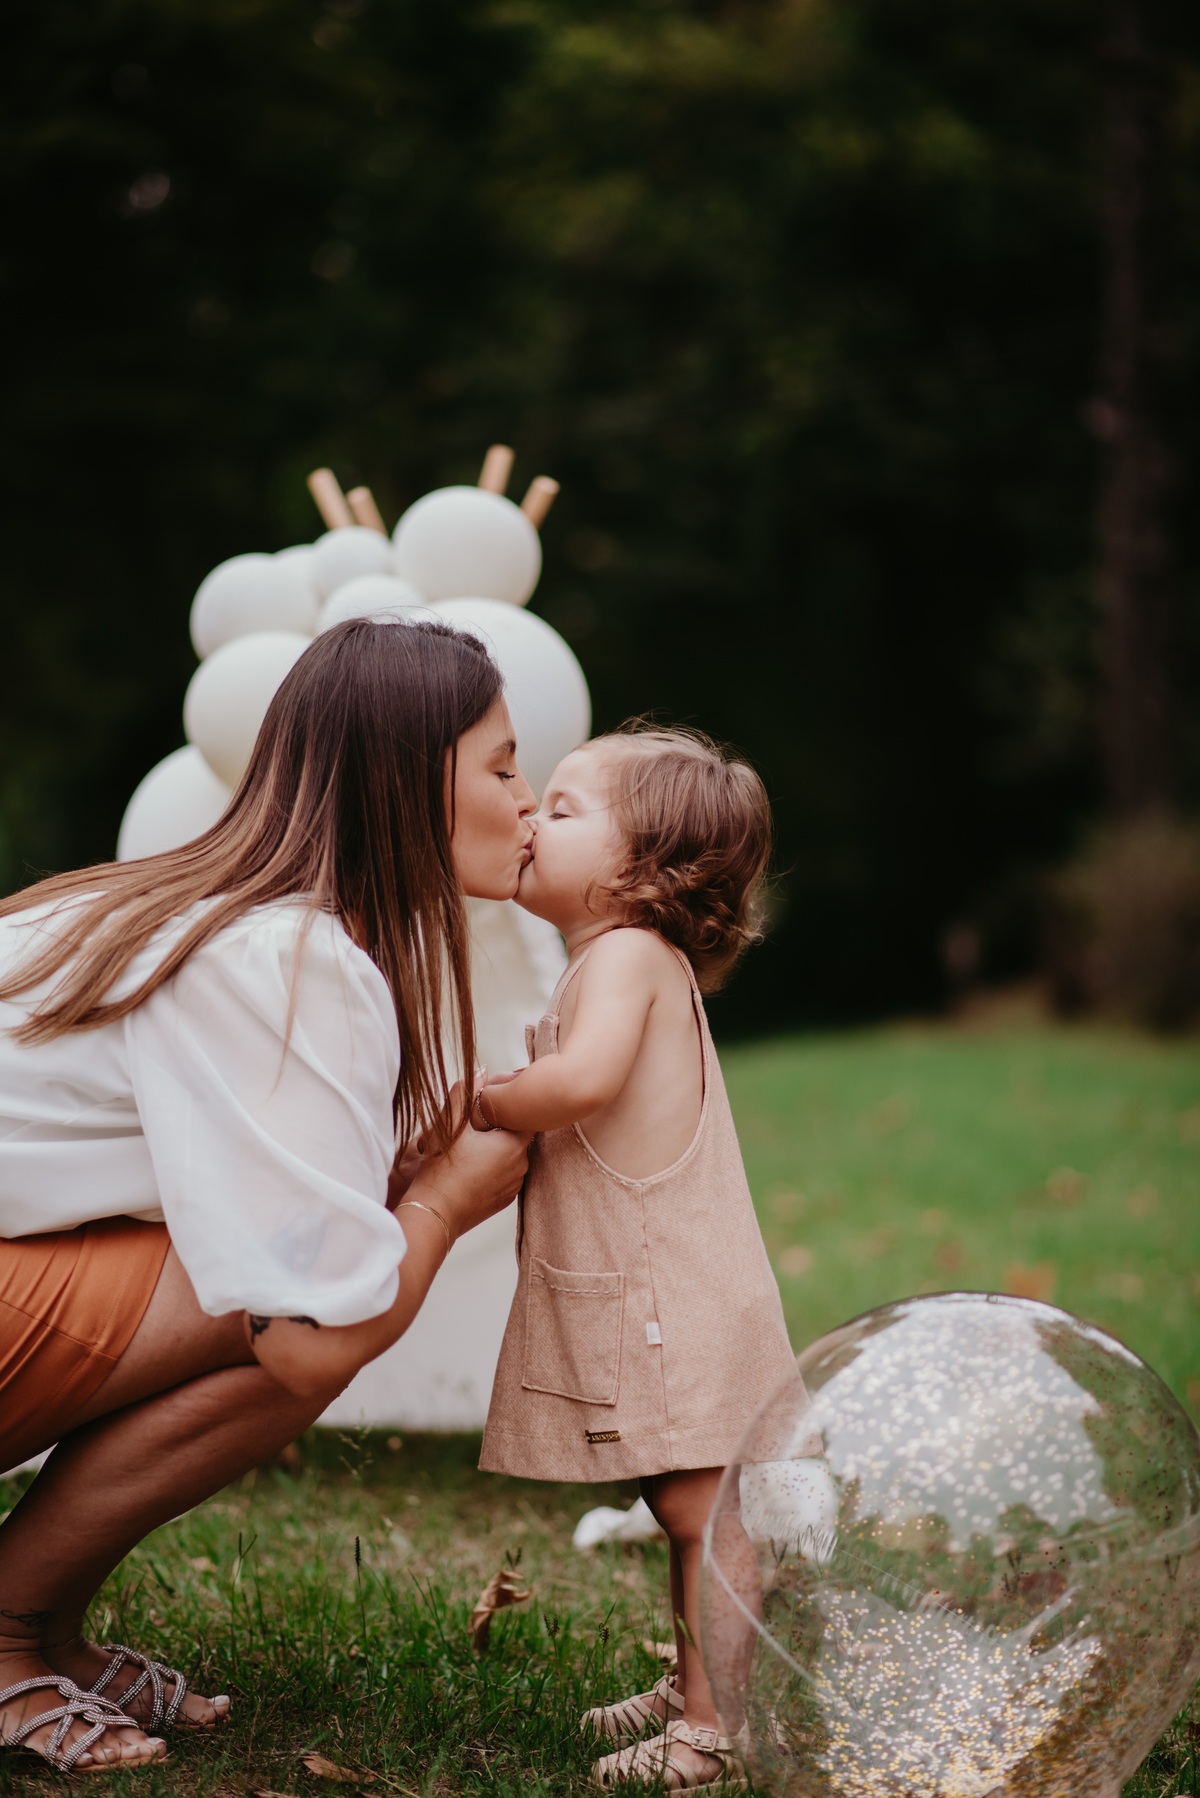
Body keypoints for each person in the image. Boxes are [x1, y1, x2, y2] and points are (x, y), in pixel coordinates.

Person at [0, 618, 535, 1774]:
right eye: (501, 767)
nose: (528, 798)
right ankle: (3, 1627)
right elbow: (306, 1327)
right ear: (407, 778)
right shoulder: (288, 957)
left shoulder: (234, 918)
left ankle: (41, 1624)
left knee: (298, 1271)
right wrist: (444, 1202)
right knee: (300, 1309)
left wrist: (394, 1178)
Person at [473, 724, 798, 1792]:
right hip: (666, 1289)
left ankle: (714, 1724)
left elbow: (582, 1083)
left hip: (673, 1295)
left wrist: (488, 1099)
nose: (531, 814)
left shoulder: (624, 956)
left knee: (703, 1511)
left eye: (564, 808)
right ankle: (698, 1680)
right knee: (681, 1504)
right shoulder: (617, 961)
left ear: (643, 871)